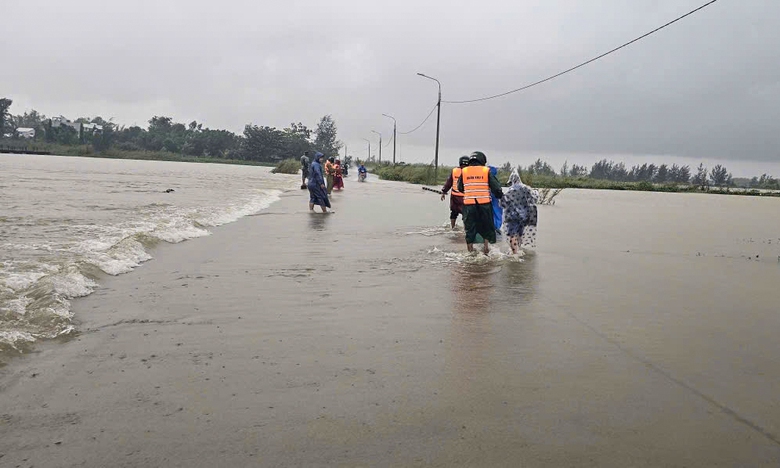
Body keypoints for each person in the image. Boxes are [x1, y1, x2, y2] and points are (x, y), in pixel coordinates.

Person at [457, 151, 504, 254]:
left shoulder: (464, 171)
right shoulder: (486, 171)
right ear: (482, 160)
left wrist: (470, 191)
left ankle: (470, 251)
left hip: (469, 204)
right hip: (484, 204)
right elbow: (496, 188)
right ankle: (486, 250)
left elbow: (459, 187)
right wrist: (500, 196)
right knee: (487, 227)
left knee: (469, 228)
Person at [500, 168, 538, 253]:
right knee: (519, 233)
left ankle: (515, 253)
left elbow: (503, 203)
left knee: (512, 234)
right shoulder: (527, 188)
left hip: (512, 216)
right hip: (525, 216)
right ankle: (519, 249)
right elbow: (535, 197)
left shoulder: (511, 190)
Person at [440, 155, 470, 229]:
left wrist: (444, 192)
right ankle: (465, 230)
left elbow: (448, 183)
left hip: (454, 196)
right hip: (465, 197)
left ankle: (452, 227)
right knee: (465, 214)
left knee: (453, 212)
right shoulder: (469, 172)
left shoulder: (454, 171)